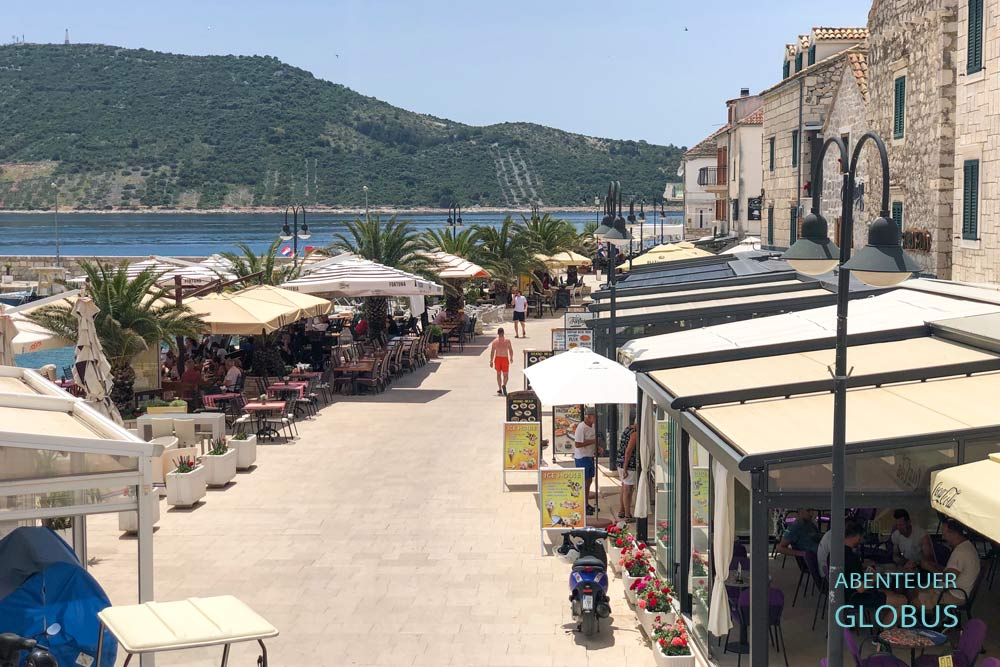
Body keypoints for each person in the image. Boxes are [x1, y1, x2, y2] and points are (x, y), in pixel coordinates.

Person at [842, 520, 908, 612]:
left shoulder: (835, 553)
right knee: (902, 600)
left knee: (889, 593)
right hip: (855, 598)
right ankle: (889, 626)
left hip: (843, 594)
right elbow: (861, 588)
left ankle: (886, 622)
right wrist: (873, 578)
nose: (860, 540)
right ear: (857, 535)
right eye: (860, 537)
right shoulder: (851, 558)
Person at [916, 518, 981, 609]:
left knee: (914, 600)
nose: (943, 537)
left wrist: (930, 568)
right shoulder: (967, 546)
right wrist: (937, 566)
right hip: (956, 591)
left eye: (944, 534)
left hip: (954, 595)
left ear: (953, 533)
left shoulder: (960, 552)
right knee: (917, 590)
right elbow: (954, 571)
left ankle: (929, 618)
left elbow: (948, 578)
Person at [574, 411, 598, 516]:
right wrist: (593, 441)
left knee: (589, 481)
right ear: (589, 417)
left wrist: (598, 447)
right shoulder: (581, 427)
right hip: (582, 457)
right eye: (594, 417)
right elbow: (578, 444)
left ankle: (587, 503)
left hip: (590, 456)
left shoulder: (592, 426)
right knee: (584, 482)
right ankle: (582, 505)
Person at [617, 417, 638, 521]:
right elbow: (628, 451)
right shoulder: (635, 433)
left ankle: (621, 510)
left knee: (623, 487)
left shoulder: (627, 429)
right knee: (628, 490)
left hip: (620, 462)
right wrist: (625, 468)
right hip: (629, 464)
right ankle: (627, 514)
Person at [489, 327, 514, 396]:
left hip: (497, 359)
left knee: (498, 374)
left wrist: (491, 361)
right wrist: (511, 358)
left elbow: (492, 352)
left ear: (498, 333)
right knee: (506, 375)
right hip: (505, 358)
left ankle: (500, 388)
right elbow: (511, 350)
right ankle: (504, 385)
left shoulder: (495, 342)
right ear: (503, 333)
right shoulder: (507, 341)